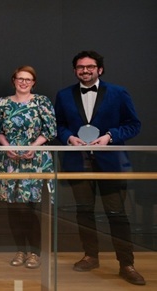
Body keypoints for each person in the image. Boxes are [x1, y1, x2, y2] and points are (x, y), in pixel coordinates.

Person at [54, 51, 145, 285]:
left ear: (100, 69)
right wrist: (69, 138)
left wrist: (110, 136)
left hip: (111, 164)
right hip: (78, 163)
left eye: (90, 67)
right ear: (75, 70)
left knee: (117, 214)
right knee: (84, 212)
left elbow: (133, 125)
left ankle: (126, 264)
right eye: (80, 67)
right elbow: (59, 125)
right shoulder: (64, 95)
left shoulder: (118, 92)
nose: (85, 70)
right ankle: (90, 256)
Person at [0, 66, 56, 270]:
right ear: (14, 80)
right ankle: (20, 250)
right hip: (9, 160)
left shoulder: (42, 101)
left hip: (35, 160)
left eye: (28, 79)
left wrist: (33, 147)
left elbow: (50, 130)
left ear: (33, 82)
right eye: (20, 78)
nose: (24, 82)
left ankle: (35, 252)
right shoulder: (3, 102)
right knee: (13, 208)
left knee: (30, 208)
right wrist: (7, 146)